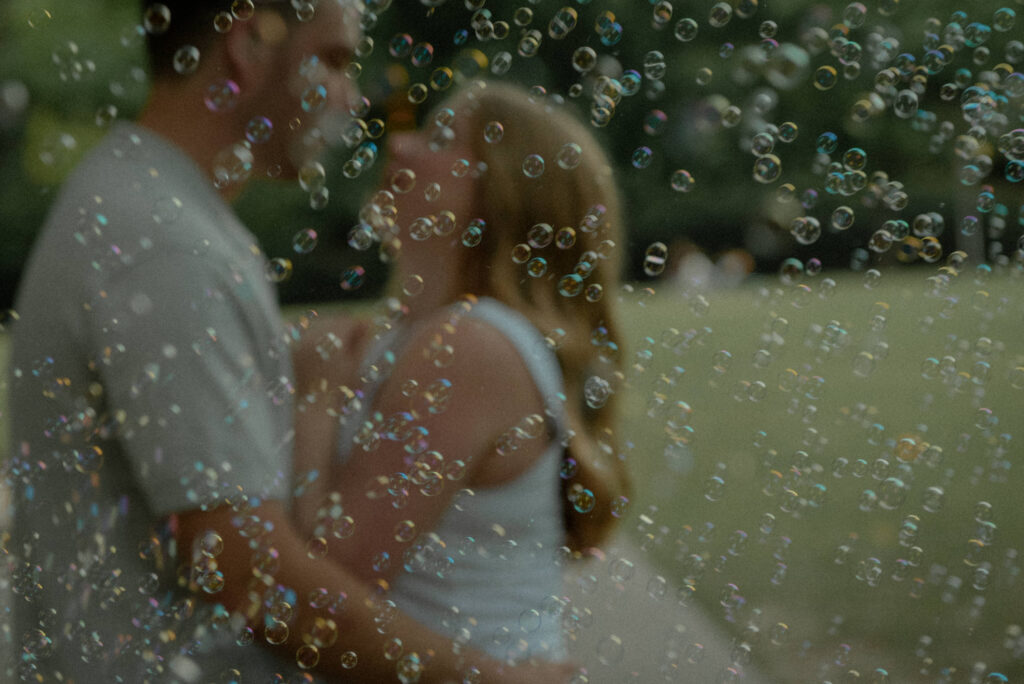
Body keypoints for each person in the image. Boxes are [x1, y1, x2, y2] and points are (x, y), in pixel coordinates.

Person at [5, 2, 574, 682]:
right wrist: (487, 678)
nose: (353, 99)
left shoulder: (153, 212)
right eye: (333, 60)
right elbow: (246, 567)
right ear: (249, 44)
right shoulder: (169, 246)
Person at [290, 80, 631, 665]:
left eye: (442, 138)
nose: (400, 145)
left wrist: (316, 397)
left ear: (502, 195)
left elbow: (328, 580)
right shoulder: (419, 337)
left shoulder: (471, 346)